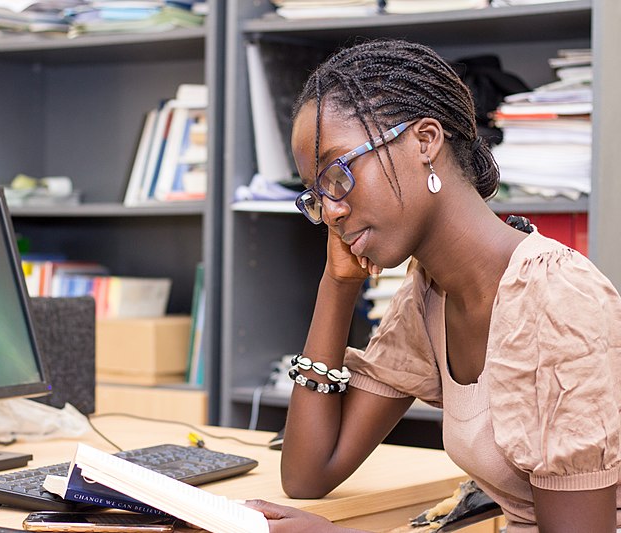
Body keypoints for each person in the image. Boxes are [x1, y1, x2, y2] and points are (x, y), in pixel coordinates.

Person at [243, 39, 621, 532]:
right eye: (316, 196)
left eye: (338, 173)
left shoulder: (557, 299)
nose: (330, 210)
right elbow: (309, 473)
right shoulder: (429, 295)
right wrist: (337, 284)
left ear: (424, 140)